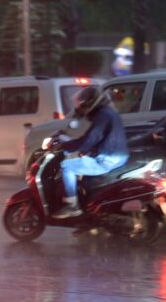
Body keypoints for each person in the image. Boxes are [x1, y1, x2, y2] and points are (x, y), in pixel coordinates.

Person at [52, 86, 129, 219]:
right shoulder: (108, 112)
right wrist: (84, 149)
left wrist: (67, 146)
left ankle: (72, 206)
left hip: (108, 159)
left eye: (82, 106)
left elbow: (91, 138)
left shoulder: (102, 115)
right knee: (81, 164)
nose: (81, 110)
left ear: (89, 104)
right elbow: (98, 138)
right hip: (117, 155)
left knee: (67, 167)